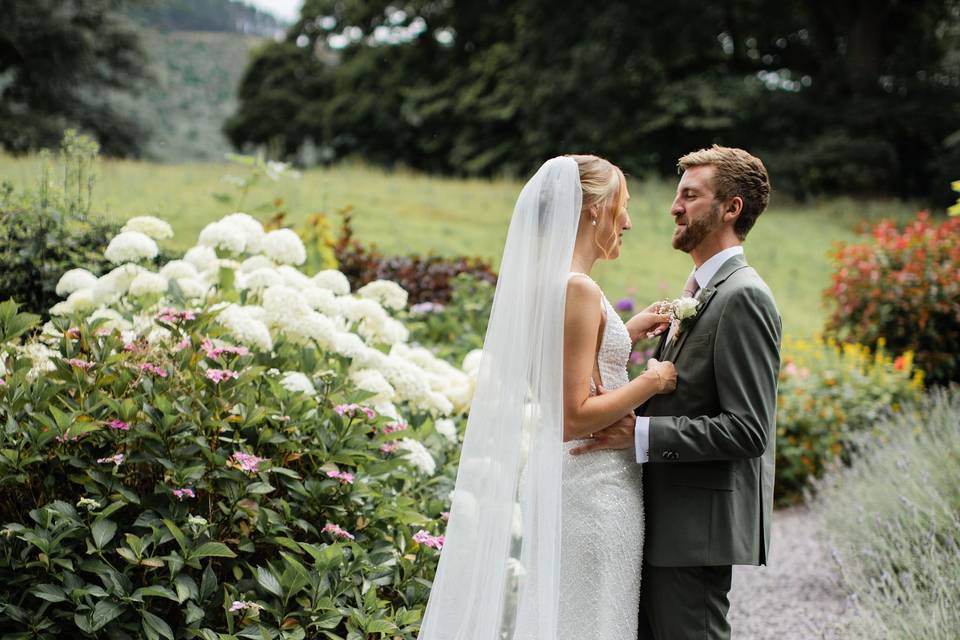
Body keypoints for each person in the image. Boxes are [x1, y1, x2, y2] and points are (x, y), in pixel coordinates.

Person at [417, 155, 676, 640]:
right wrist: (652, 381)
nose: (629, 220)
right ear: (593, 209)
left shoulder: (551, 284)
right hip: (594, 487)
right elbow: (572, 416)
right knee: (593, 622)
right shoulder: (577, 289)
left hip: (574, 481)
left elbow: (574, 365)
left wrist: (625, 332)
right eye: (622, 204)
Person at [572, 145, 782, 640]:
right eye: (677, 194)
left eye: (690, 195)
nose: (674, 206)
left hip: (694, 532)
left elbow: (748, 430)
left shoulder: (743, 295)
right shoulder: (699, 292)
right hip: (657, 522)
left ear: (731, 208)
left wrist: (639, 433)